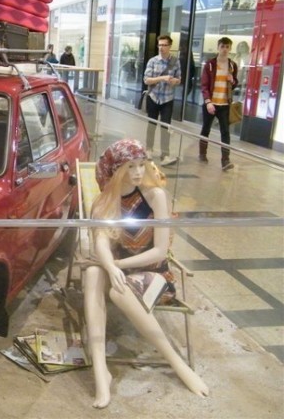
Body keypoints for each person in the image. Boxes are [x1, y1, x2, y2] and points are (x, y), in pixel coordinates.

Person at [82, 139, 209, 409]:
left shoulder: (155, 197)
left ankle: (177, 364)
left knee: (119, 290)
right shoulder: (103, 202)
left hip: (154, 273)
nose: (138, 172)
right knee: (93, 274)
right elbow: (101, 243)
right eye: (130, 166)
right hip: (117, 270)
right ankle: (100, 372)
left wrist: (118, 267)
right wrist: (110, 265)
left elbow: (160, 252)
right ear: (116, 171)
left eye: (142, 164)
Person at [199, 37, 238, 170]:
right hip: (211, 103)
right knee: (206, 129)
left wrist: (232, 81)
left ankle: (225, 160)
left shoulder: (232, 65)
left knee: (225, 132)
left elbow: (234, 84)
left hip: (224, 105)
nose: (225, 49)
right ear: (218, 48)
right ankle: (202, 153)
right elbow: (204, 85)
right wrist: (208, 102)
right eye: (222, 46)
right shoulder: (210, 65)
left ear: (230, 49)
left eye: (227, 47)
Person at [143, 35, 181, 167]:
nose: (161, 48)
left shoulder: (175, 61)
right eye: (159, 45)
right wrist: (162, 78)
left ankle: (165, 155)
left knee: (166, 126)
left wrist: (174, 81)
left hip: (167, 98)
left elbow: (178, 78)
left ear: (170, 46)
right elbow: (147, 80)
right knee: (151, 125)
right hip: (153, 96)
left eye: (164, 45)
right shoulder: (153, 61)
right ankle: (148, 150)